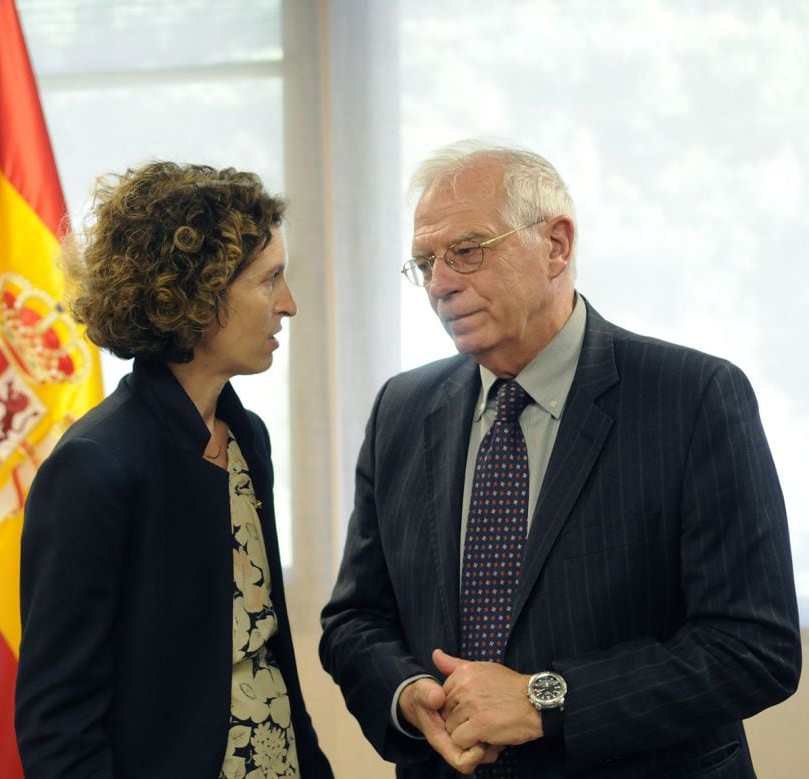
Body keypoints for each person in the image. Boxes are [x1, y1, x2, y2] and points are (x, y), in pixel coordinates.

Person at [319, 140, 801, 777]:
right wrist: (413, 697)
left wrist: (545, 700)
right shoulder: (402, 410)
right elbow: (356, 618)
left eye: (466, 251)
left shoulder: (692, 397)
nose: (439, 284)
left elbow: (752, 647)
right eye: (424, 263)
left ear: (556, 245)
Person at [15, 161, 333, 778]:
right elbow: (57, 720)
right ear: (196, 294)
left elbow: (266, 656)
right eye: (270, 281)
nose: (289, 305)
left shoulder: (248, 436)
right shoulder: (94, 465)